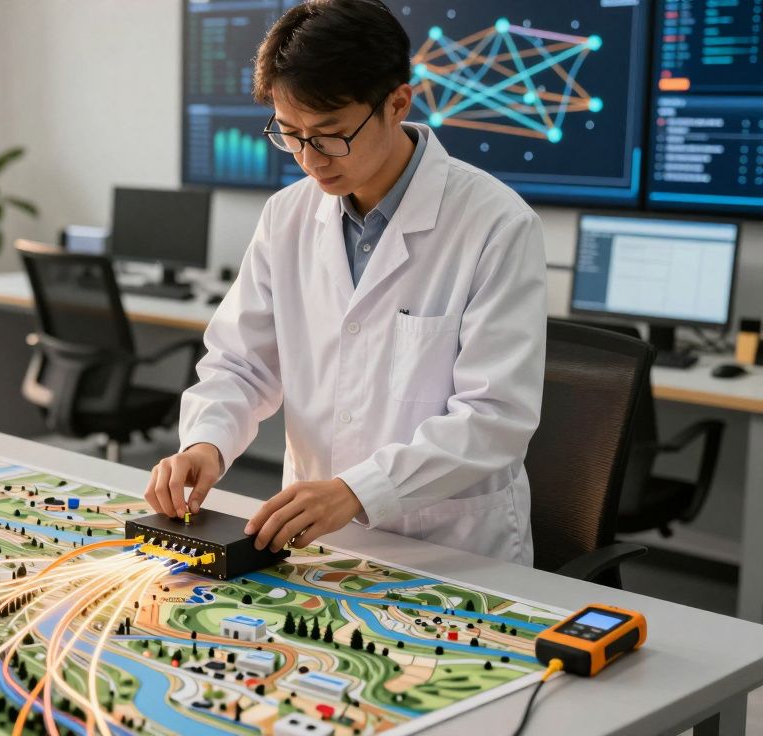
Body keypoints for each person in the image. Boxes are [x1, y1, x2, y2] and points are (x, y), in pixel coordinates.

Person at [143, 0, 546, 565]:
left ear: (397, 103)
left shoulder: (496, 224)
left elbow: (494, 417)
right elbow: (242, 364)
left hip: (449, 547)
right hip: (313, 539)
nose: (310, 160)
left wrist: (359, 490)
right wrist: (205, 442)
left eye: (330, 135)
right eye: (290, 134)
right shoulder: (286, 215)